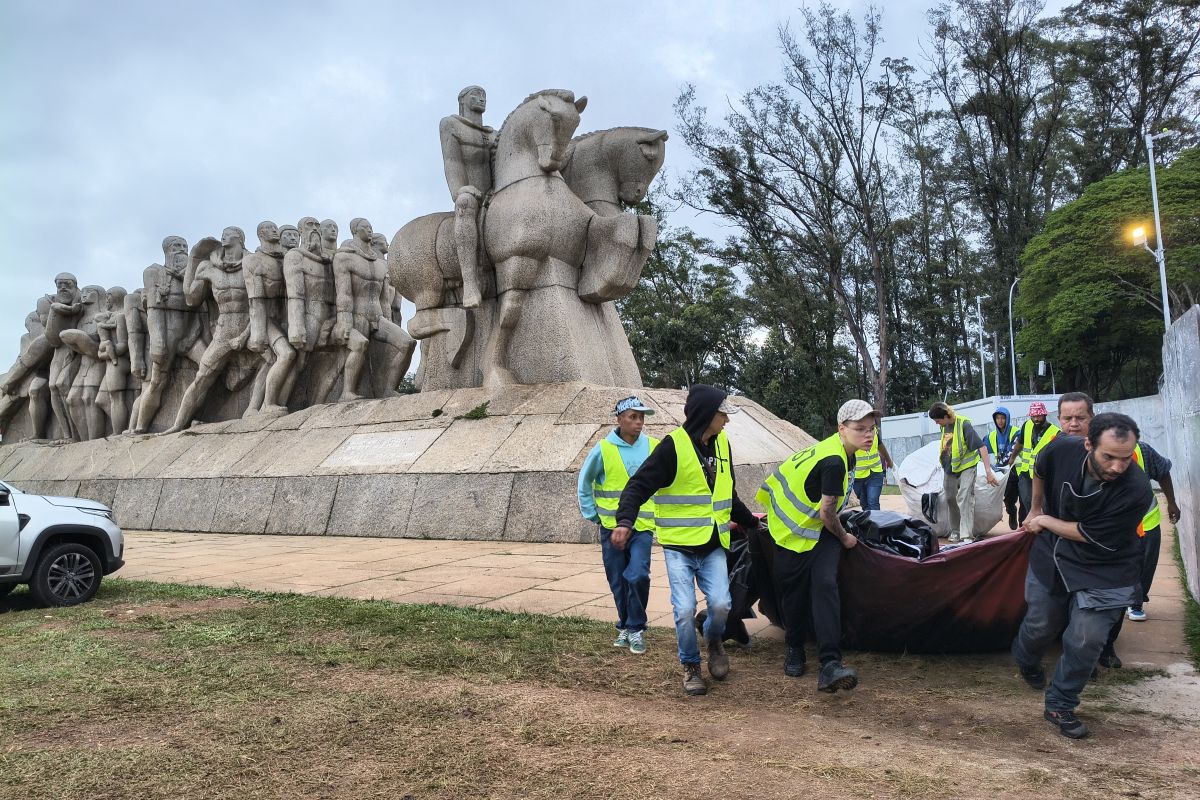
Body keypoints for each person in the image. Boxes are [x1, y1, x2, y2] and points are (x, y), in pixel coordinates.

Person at [612, 385, 760, 696]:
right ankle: (691, 665)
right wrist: (625, 522)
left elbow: (727, 495)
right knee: (682, 610)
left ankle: (714, 640)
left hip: (713, 545)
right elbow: (637, 487)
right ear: (706, 415)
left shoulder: (722, 446)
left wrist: (751, 522)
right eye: (722, 415)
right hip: (679, 547)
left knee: (721, 606)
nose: (726, 421)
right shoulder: (672, 448)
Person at [1011, 413, 1152, 739]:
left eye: (1126, 457)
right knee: (1041, 623)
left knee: (1086, 639)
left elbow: (1089, 534)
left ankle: (1060, 702)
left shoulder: (1137, 489)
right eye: (1109, 457)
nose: (1118, 466)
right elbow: (1040, 468)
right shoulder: (1062, 449)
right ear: (1089, 444)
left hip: (1106, 565)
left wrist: (1044, 521)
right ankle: (1026, 657)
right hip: (1054, 553)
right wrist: (1034, 508)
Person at [757, 399, 875, 692]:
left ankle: (830, 665)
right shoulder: (834, 460)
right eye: (860, 429)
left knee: (825, 587)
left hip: (819, 531)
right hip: (790, 530)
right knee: (793, 595)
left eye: (872, 429)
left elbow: (826, 514)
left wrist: (836, 532)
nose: (869, 435)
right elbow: (827, 513)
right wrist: (846, 537)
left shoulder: (847, 453)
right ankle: (794, 649)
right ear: (841, 429)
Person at [576, 395, 659, 655]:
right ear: (619, 419)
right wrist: (593, 515)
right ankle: (626, 626)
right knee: (617, 580)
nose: (639, 422)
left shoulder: (654, 447)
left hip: (642, 527)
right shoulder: (603, 449)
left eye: (642, 417)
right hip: (611, 529)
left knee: (637, 575)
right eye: (633, 416)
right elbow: (584, 483)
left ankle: (635, 627)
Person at [928, 402, 999, 543]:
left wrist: (988, 471)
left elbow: (982, 447)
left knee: (965, 497)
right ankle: (955, 531)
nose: (937, 424)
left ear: (946, 416)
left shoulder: (964, 425)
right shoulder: (944, 426)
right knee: (950, 498)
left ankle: (966, 535)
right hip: (950, 468)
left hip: (967, 467)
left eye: (938, 420)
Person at [1009, 401, 1060, 523]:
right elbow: (1020, 443)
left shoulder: (1055, 432)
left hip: (1044, 475)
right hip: (1026, 472)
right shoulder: (1027, 425)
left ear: (1044, 415)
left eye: (1039, 416)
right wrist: (1012, 457)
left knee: (1044, 504)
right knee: (1027, 501)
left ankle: (1045, 527)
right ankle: (1033, 528)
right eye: (1033, 416)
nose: (1036, 419)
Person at [985, 406, 1020, 528]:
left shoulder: (1017, 432)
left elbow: (1012, 452)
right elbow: (987, 456)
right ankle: (1012, 512)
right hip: (1003, 473)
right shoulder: (990, 437)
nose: (1000, 421)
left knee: (1025, 498)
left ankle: (1022, 523)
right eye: (998, 418)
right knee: (1008, 499)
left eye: (1003, 418)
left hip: (1018, 470)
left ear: (1007, 418)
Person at [851, 409, 892, 511]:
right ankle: (869, 524)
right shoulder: (851, 435)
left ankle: (876, 526)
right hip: (858, 476)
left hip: (875, 472)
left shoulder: (875, 432)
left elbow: (880, 446)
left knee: (873, 502)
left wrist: (888, 460)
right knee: (864, 504)